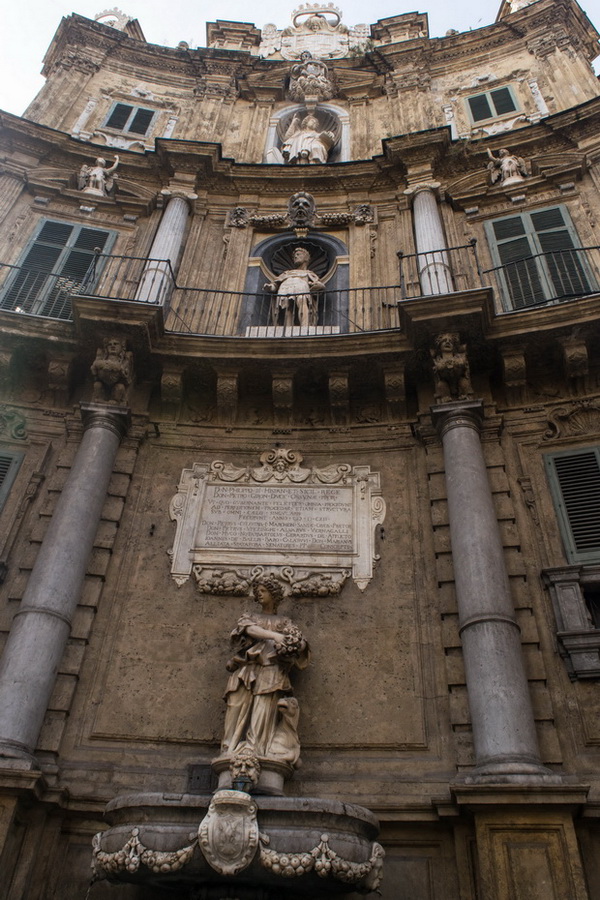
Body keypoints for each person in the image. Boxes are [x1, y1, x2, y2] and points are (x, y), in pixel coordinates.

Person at [221, 576, 309, 766]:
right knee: (235, 707)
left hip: (272, 672)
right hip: (246, 671)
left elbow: (300, 642)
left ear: (274, 595)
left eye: (263, 591)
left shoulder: (284, 622)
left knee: (263, 711)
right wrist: (276, 636)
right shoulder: (251, 617)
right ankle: (229, 750)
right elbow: (248, 629)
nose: (258, 595)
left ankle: (257, 751)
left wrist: (297, 644)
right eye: (257, 592)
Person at [264, 246, 325, 328]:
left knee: (301, 300)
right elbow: (276, 284)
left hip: (301, 290)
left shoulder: (309, 273)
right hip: (285, 289)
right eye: (295, 256)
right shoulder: (287, 273)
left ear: (306, 258)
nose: (296, 257)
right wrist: (270, 287)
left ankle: (305, 326)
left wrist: (316, 286)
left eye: (299, 254)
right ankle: (288, 327)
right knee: (287, 306)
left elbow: (319, 285)